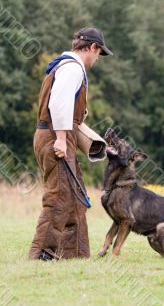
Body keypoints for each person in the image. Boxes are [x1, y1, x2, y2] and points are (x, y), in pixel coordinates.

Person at [29, 27, 113, 261]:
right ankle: (42, 254)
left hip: (56, 135)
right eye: (99, 53)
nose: (97, 59)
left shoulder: (65, 66)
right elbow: (58, 105)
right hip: (55, 137)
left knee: (75, 196)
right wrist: (62, 140)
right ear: (92, 47)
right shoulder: (73, 68)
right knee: (59, 196)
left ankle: (74, 255)